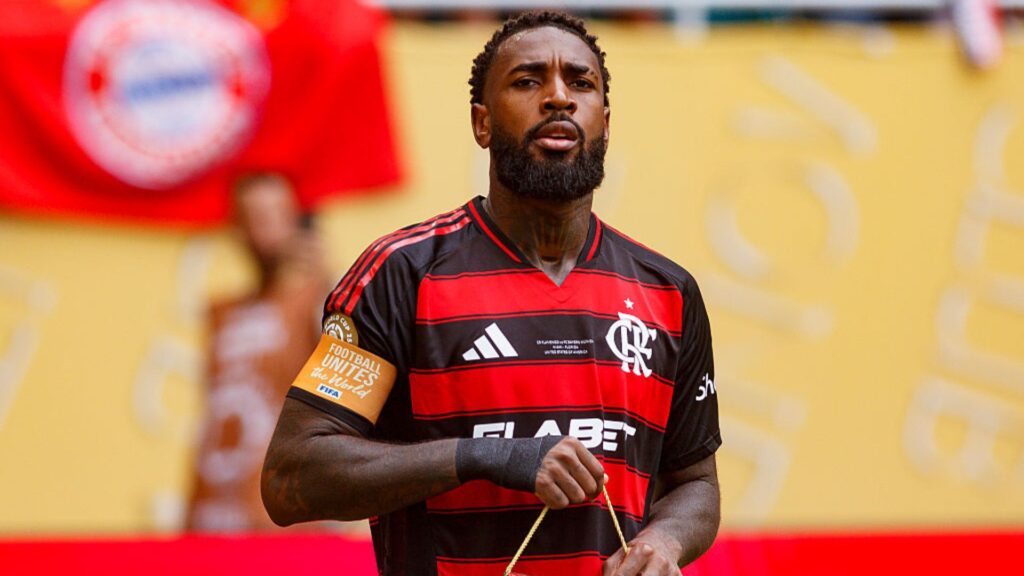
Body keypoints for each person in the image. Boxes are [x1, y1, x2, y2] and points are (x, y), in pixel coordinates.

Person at [262, 11, 720, 575]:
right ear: (482, 123)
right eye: (528, 81)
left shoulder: (668, 292)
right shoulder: (401, 274)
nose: (559, 97)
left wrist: (665, 542)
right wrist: (485, 455)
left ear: (605, 122)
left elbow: (695, 483)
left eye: (580, 83)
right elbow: (291, 477)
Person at [187, 172, 327, 531]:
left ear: (296, 221)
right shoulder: (221, 313)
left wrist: (325, 279)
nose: (261, 230)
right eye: (249, 217)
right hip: (214, 510)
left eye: (272, 215)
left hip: (284, 514)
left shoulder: (318, 303)